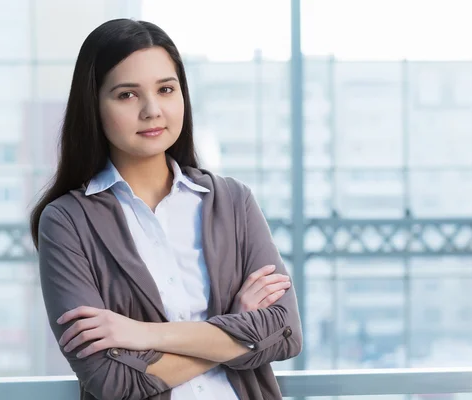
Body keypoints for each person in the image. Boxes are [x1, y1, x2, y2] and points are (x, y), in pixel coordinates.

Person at [29, 18, 302, 400]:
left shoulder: (232, 201)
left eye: (166, 89)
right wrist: (237, 331)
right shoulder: (67, 222)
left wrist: (143, 334)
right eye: (127, 95)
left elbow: (285, 331)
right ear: (93, 105)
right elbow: (113, 382)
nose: (152, 110)